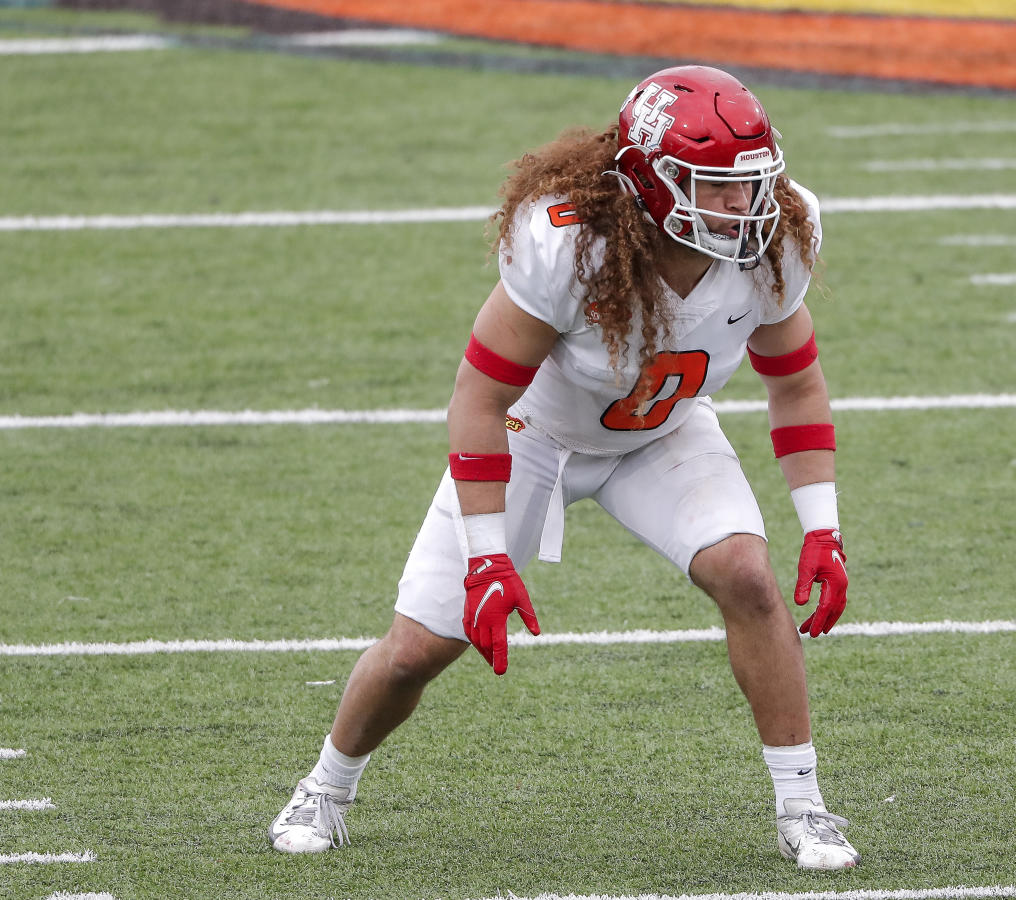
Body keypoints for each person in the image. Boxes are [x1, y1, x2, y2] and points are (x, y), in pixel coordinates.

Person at [269, 64, 859, 871]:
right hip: (532, 433)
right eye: (711, 186)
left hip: (661, 431)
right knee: (419, 648)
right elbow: (478, 397)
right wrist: (486, 555)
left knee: (749, 577)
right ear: (649, 181)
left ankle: (805, 807)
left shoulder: (779, 234)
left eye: (748, 184)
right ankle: (325, 786)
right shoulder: (567, 240)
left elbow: (794, 382)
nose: (740, 206)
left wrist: (822, 531)